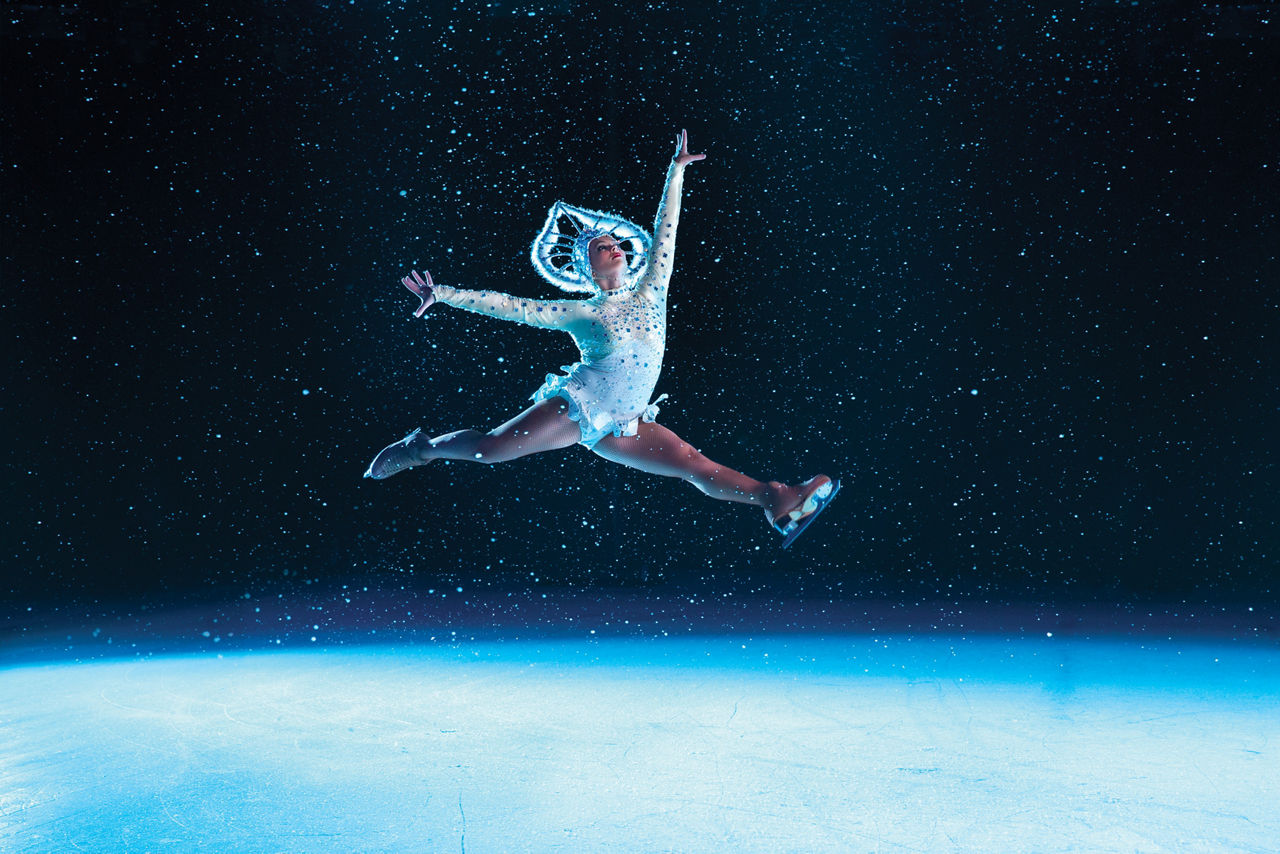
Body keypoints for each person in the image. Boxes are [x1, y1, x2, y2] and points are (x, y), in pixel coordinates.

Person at [365, 130, 839, 547]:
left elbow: (665, 234)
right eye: (598, 246)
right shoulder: (581, 311)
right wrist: (445, 294)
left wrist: (675, 174)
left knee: (694, 465)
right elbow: (514, 307)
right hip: (583, 406)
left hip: (626, 419)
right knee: (490, 450)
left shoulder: (653, 288)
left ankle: (776, 498)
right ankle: (421, 447)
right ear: (585, 267)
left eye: (613, 241)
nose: (611, 245)